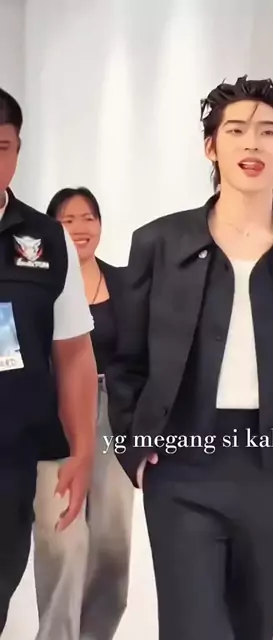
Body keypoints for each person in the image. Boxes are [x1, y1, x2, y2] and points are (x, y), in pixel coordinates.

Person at [106, 76, 273, 640]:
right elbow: (127, 360)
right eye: (236, 130)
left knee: (251, 628)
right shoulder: (159, 244)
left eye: (267, 132)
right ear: (210, 147)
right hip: (180, 467)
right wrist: (136, 451)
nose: (252, 143)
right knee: (194, 628)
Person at [0, 88, 97, 634]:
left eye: (1, 147)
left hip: (12, 456)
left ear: (17, 150)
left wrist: (83, 449)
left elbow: (74, 351)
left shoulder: (46, 240)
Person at [32, 187, 134, 640]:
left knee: (113, 539)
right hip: (56, 412)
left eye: (88, 217)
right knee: (63, 537)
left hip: (115, 417)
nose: (80, 228)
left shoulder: (125, 283)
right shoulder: (38, 282)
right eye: (67, 220)